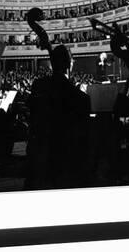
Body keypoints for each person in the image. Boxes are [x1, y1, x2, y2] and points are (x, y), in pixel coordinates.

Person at [25, 45, 91, 190]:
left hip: (37, 157)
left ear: (51, 64)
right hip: (64, 161)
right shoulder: (80, 98)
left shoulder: (38, 85)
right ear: (69, 64)